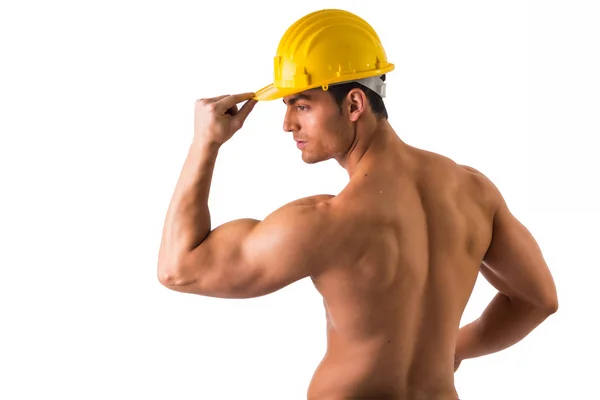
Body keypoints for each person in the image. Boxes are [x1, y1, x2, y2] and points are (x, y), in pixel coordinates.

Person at [157, 9, 558, 400]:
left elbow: (179, 270)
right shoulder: (474, 191)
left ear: (353, 105)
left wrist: (204, 145)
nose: (287, 124)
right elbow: (537, 300)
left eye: (302, 104)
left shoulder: (326, 222)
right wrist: (453, 348)